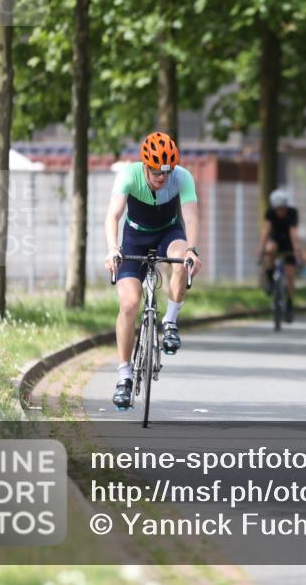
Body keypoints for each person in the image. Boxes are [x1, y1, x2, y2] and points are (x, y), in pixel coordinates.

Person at [104, 132, 202, 409]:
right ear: (145, 165)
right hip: (135, 237)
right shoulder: (128, 176)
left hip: (168, 233)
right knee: (129, 303)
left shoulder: (182, 177)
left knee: (181, 260)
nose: (162, 177)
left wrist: (193, 250)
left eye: (166, 172)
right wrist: (113, 249)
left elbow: (191, 216)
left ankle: (169, 321)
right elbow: (113, 215)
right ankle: (124, 376)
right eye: (156, 171)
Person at [256, 188, 306, 322]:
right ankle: (270, 281)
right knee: (270, 249)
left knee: (290, 275)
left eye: (283, 208)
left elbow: (293, 232)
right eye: (278, 209)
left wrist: (297, 249)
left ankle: (289, 303)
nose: (281, 211)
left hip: (289, 243)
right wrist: (261, 248)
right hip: (276, 240)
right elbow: (266, 231)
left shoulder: (292, 213)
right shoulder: (270, 213)